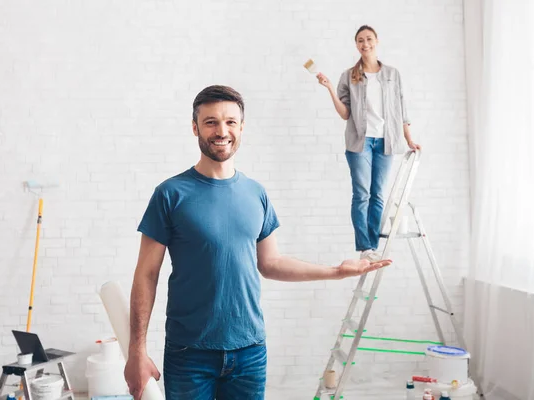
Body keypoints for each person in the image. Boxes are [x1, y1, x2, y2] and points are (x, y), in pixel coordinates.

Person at [124, 85, 392, 400]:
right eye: (210, 122)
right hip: (189, 352)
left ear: (241, 127)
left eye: (230, 122)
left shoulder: (256, 193)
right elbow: (146, 274)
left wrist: (336, 271)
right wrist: (137, 351)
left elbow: (271, 263)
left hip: (249, 352)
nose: (221, 131)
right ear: (195, 127)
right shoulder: (171, 194)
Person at [316, 25, 421, 261]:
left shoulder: (392, 75)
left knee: (378, 195)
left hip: (387, 141)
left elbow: (402, 110)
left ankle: (373, 246)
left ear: (377, 41)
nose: (366, 44)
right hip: (360, 143)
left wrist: (409, 140)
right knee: (361, 194)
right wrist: (331, 89)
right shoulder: (349, 76)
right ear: (356, 45)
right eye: (361, 40)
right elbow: (345, 114)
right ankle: (365, 248)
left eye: (369, 39)